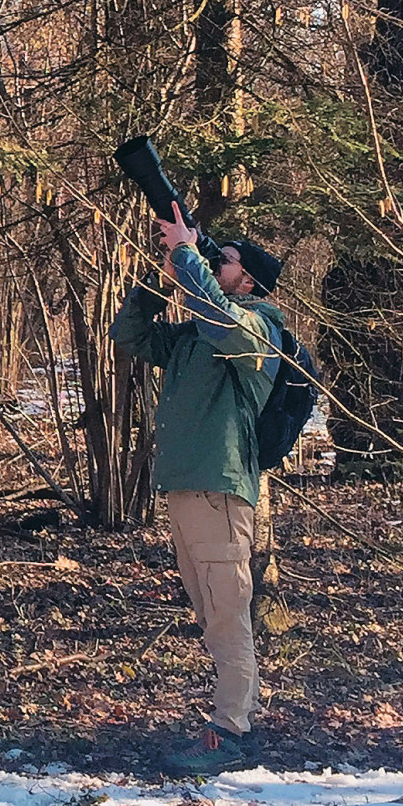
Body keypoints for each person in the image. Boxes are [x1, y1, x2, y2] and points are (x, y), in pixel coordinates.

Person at [111, 201, 284, 774]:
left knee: (228, 612)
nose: (214, 263)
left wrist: (188, 254)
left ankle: (232, 731)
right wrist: (162, 279)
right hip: (186, 489)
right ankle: (234, 720)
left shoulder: (258, 328)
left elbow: (221, 320)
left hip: (219, 490)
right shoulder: (193, 334)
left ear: (248, 280)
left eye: (224, 260)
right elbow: (131, 337)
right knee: (211, 614)